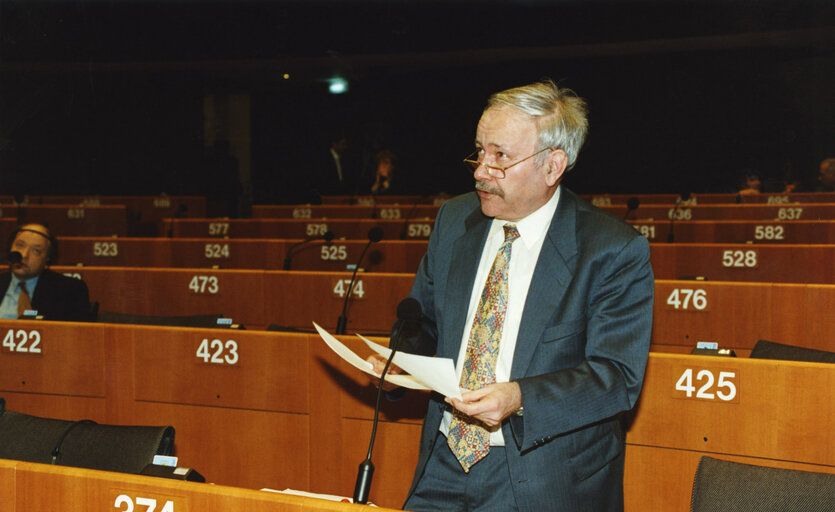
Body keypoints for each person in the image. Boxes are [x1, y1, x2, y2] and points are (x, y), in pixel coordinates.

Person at [370, 79, 654, 511]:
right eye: (480, 151)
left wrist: (519, 397)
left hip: (545, 473)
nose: (481, 170)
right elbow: (422, 320)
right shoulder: (454, 218)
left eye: (500, 156)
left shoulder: (611, 250)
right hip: (444, 460)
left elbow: (615, 378)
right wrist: (400, 362)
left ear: (553, 166)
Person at [0, 223, 92, 321]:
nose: (24, 255)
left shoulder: (70, 290)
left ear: (47, 258)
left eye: (36, 251)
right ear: (10, 248)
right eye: (20, 246)